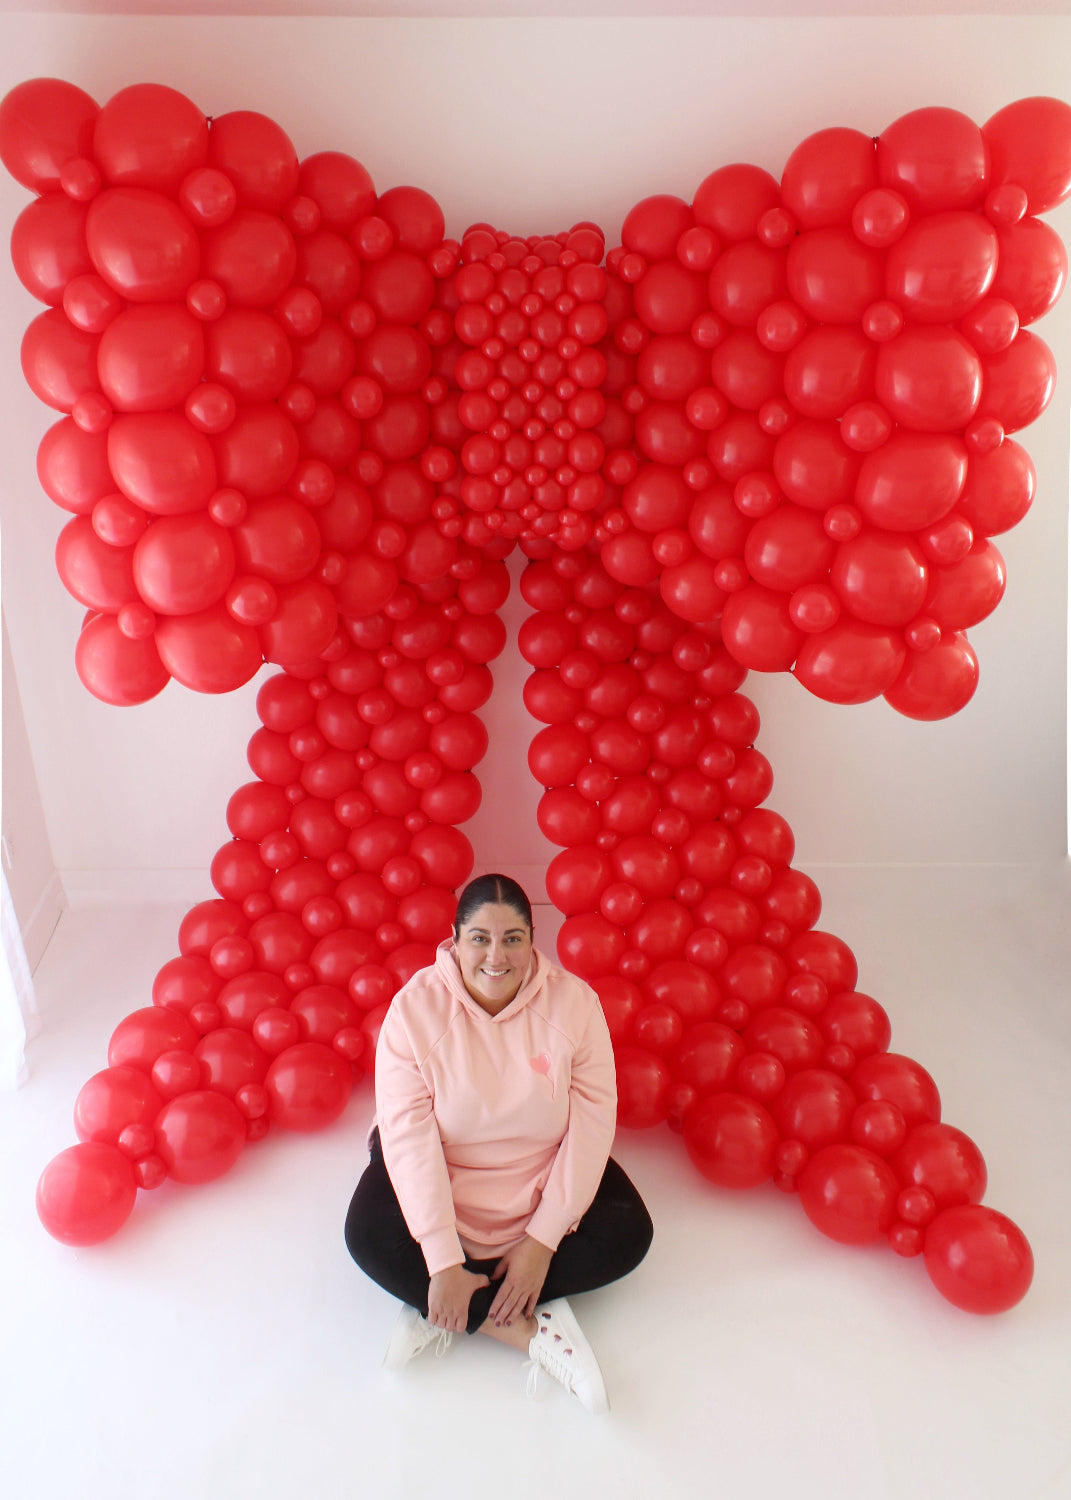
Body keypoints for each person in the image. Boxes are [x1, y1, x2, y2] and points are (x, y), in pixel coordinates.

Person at [344, 872, 653, 1412]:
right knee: (366, 1236)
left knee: (631, 1233)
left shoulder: (575, 1004)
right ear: (455, 940)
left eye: (512, 938)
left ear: (532, 940)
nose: (496, 956)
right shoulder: (413, 1011)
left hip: (539, 1166)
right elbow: (409, 1139)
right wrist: (440, 1258)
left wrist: (541, 1242)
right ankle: (522, 1329)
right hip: (441, 1167)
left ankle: (447, 1307)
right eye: (480, 938)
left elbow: (593, 1122)